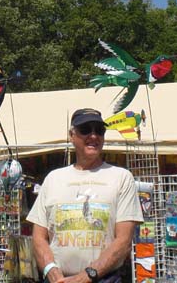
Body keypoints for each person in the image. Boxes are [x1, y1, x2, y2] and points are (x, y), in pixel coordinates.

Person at [27, 108, 143, 283]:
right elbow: (38, 237)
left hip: (103, 279)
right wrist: (52, 272)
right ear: (71, 135)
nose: (93, 136)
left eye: (99, 130)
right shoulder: (53, 179)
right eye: (85, 129)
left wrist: (87, 276)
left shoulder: (121, 178)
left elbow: (124, 240)